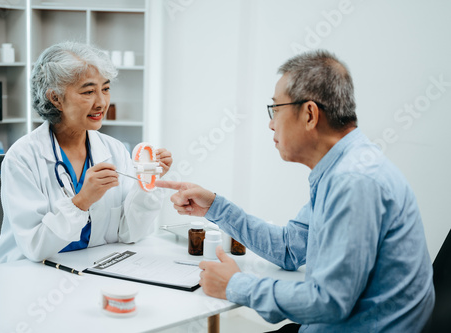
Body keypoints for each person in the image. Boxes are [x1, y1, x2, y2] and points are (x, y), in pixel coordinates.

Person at [156, 50, 434, 332]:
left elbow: (330, 302)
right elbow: (289, 248)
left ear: (310, 114)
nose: (270, 122)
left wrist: (236, 285)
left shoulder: (355, 181)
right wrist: (215, 207)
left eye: (275, 109)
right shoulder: (341, 168)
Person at [0, 42, 172, 264]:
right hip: (29, 273)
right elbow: (36, 247)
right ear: (55, 98)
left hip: (89, 270)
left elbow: (130, 233)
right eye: (88, 92)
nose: (102, 103)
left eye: (105, 89)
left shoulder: (114, 150)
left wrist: (148, 182)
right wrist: (82, 201)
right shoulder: (22, 158)